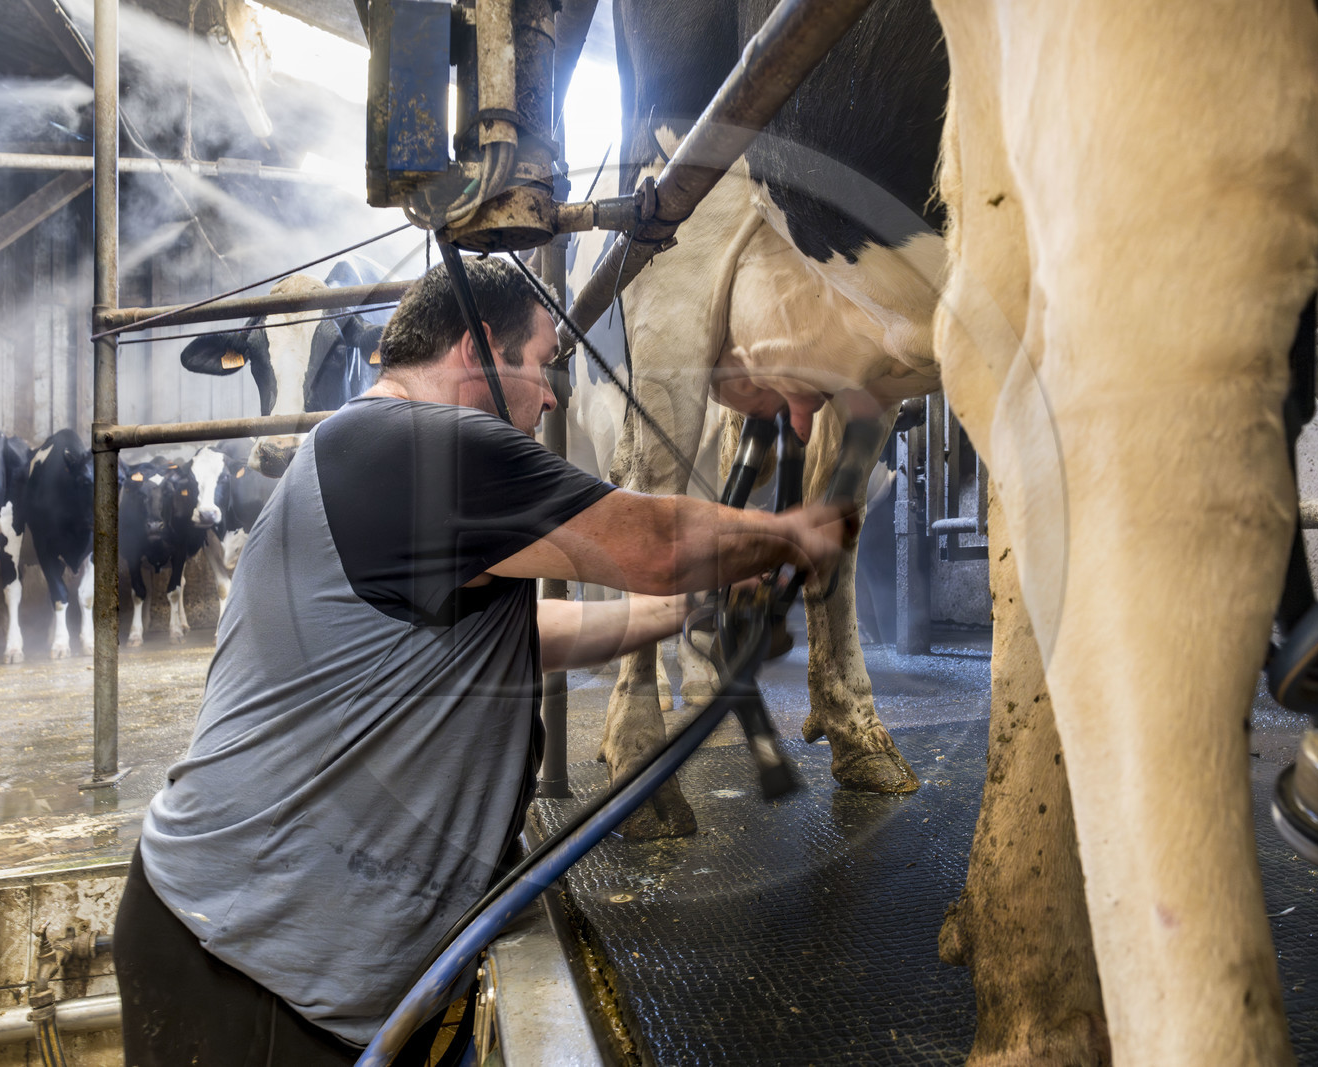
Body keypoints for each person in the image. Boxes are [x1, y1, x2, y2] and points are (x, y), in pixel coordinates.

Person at [113, 256, 853, 1066]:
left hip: (253, 943)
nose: (554, 395)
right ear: (476, 349)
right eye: (541, 361)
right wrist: (795, 532)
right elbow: (652, 542)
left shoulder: (380, 454)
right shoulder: (417, 444)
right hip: (248, 969)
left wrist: (687, 610)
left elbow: (525, 632)